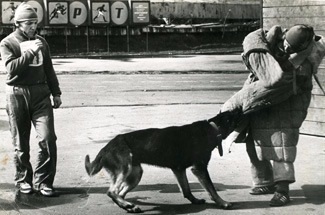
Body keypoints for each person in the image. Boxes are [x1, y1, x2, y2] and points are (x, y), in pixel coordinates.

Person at [221, 24, 324, 207]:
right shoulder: (272, 40)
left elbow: (280, 79)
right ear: (283, 36)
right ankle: (264, 181)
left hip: (287, 103)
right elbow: (263, 67)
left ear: (302, 48)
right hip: (263, 99)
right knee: (253, 141)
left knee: (281, 145)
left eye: (292, 49)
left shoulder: (305, 62)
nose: (286, 49)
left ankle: (282, 190)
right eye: (285, 44)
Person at [0, 3, 62, 197]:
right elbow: (11, 70)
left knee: (48, 137)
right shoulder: (7, 43)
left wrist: (56, 92)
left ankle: (44, 181)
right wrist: (29, 53)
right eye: (28, 23)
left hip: (41, 93)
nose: (33, 27)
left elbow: (49, 69)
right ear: (18, 23)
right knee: (21, 142)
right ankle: (23, 179)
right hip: (17, 94)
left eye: (35, 23)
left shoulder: (41, 41)